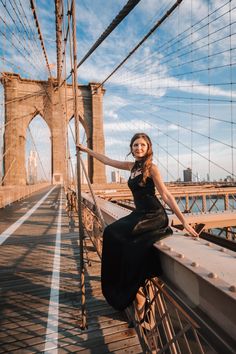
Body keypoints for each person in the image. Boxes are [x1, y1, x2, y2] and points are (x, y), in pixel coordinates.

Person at [77, 133, 198, 315]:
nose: (139, 148)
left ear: (148, 147)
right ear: (131, 148)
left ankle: (135, 292)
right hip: (139, 213)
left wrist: (184, 223)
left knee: (126, 242)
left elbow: (165, 195)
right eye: (135, 145)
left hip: (154, 215)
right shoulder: (131, 166)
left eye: (142, 145)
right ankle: (122, 287)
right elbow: (107, 160)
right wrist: (86, 150)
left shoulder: (152, 168)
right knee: (111, 233)